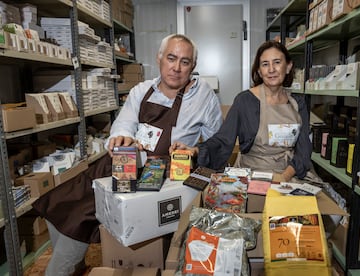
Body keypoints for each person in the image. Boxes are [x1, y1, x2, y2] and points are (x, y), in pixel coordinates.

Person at [32, 33, 223, 276]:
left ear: (193, 66)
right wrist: (123, 138)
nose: (176, 68)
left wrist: (195, 150)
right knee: (57, 201)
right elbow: (122, 126)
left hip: (161, 175)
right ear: (159, 58)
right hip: (122, 163)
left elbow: (218, 142)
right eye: (171, 58)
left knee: (79, 218)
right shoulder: (141, 91)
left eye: (184, 62)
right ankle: (77, 267)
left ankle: (59, 270)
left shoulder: (203, 97)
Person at [170, 40, 312, 183]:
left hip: (290, 174)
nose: (271, 69)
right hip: (253, 176)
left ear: (288, 67)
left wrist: (284, 177)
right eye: (265, 64)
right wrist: (195, 150)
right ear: (259, 71)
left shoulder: (297, 104)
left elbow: (304, 149)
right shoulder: (245, 101)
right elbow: (224, 140)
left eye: (277, 62)